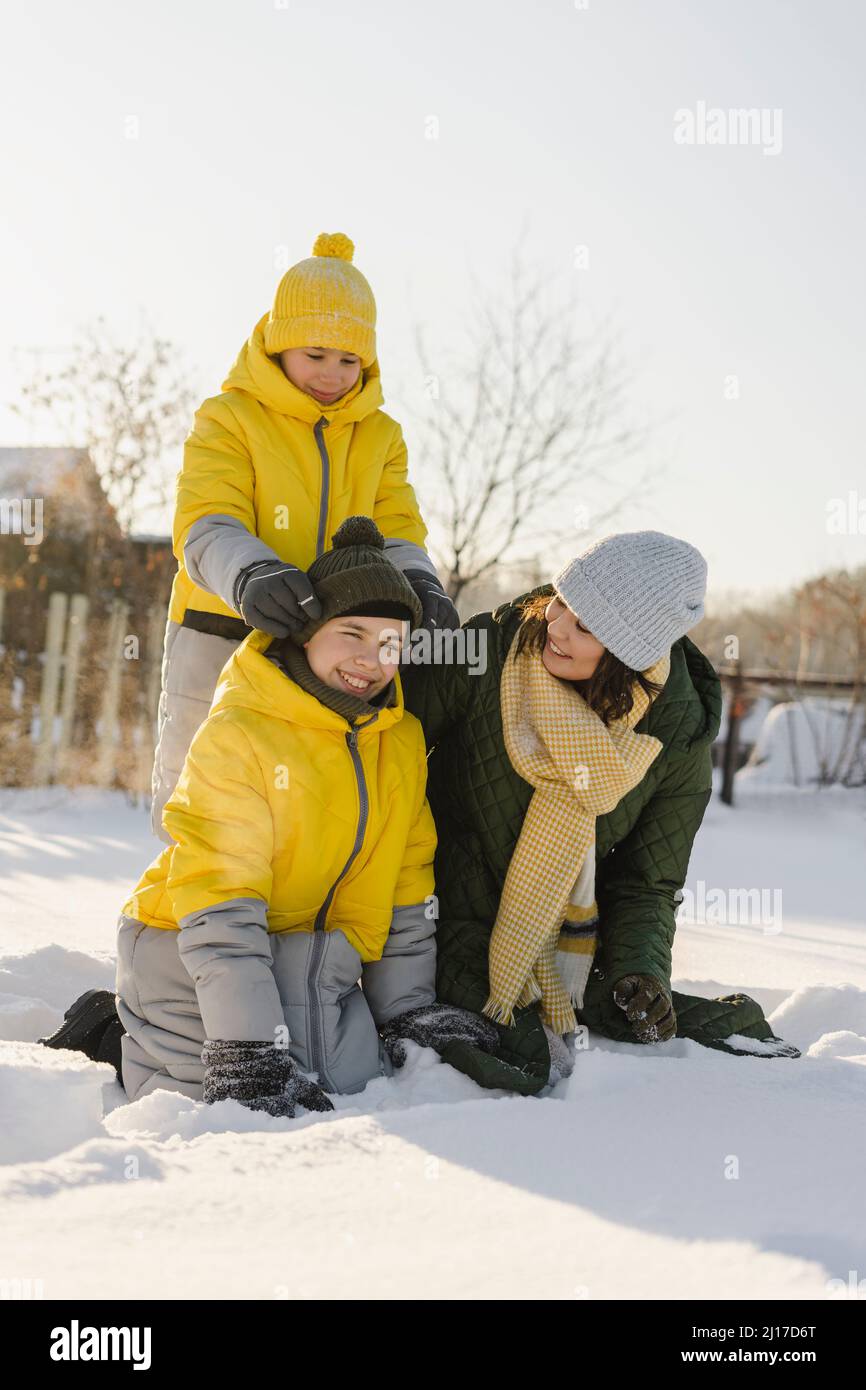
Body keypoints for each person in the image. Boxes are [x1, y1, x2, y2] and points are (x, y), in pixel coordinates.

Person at [42, 519, 493, 1112]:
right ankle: (114, 1027)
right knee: (209, 1116)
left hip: (311, 967)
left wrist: (408, 1009)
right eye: (350, 633)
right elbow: (220, 903)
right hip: (191, 954)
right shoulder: (241, 733)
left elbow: (407, 882)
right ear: (307, 632)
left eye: (389, 643)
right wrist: (245, 1050)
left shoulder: (399, 740)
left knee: (352, 1088)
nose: (369, 659)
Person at [401, 530, 801, 1095]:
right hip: (433, 906)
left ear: (629, 653)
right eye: (561, 600)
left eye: (586, 625)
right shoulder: (491, 650)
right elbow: (385, 748)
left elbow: (647, 880)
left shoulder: (675, 733)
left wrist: (640, 975)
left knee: (632, 1017)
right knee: (501, 1053)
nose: (556, 625)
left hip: (566, 937)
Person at [151, 230, 458, 841]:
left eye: (350, 361)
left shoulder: (380, 437)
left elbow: (396, 527)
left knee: (305, 806)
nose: (332, 374)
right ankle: (180, 922)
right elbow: (207, 520)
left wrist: (421, 583)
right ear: (280, 341)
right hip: (222, 629)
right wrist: (251, 571)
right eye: (316, 354)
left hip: (331, 644)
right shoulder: (229, 417)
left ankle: (290, 927)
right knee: (203, 794)